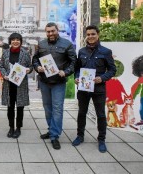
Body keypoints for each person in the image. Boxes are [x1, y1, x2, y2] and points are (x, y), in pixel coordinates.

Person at [72, 25, 116, 153]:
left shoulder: (106, 51)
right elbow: (77, 69)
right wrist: (76, 77)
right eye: (88, 34)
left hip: (99, 88)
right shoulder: (81, 51)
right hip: (83, 88)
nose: (90, 37)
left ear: (98, 35)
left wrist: (102, 78)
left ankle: (101, 139)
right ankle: (80, 136)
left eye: (93, 34)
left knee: (101, 114)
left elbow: (112, 70)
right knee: (81, 113)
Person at [32, 22, 76, 150]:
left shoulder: (66, 44)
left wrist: (66, 72)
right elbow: (35, 59)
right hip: (44, 81)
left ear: (57, 30)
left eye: (53, 31)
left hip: (58, 82)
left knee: (57, 109)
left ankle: (54, 136)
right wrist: (37, 67)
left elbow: (74, 62)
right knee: (47, 108)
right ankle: (51, 130)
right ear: (46, 33)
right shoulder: (41, 44)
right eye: (48, 32)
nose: (51, 33)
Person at [0, 33, 32, 138]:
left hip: (20, 84)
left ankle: (18, 128)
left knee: (20, 107)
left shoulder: (25, 53)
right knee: (10, 107)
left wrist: (29, 70)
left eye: (17, 39)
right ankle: (11, 127)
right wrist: (4, 75)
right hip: (9, 84)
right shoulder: (5, 53)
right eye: (13, 39)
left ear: (20, 41)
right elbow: (1, 66)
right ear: (10, 41)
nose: (15, 41)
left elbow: (30, 66)